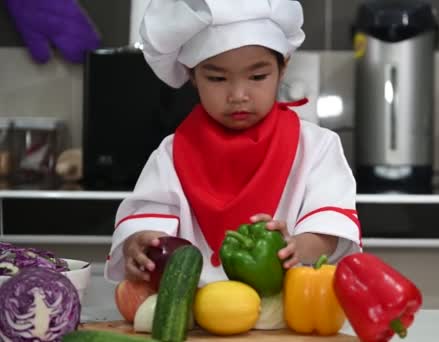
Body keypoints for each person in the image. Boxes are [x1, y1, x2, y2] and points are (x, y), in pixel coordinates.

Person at [104, 0, 361, 286]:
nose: (238, 94)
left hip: (288, 314)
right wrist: (137, 243)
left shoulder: (317, 147)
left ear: (283, 66)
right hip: (196, 318)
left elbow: (331, 229)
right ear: (192, 75)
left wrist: (298, 246)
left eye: (257, 76)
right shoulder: (172, 153)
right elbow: (148, 222)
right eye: (217, 78)